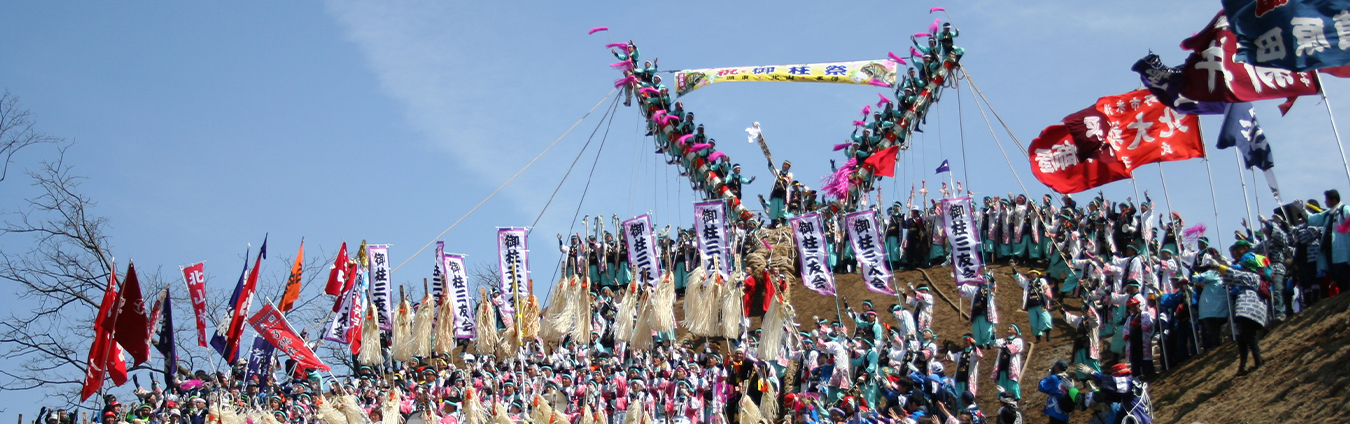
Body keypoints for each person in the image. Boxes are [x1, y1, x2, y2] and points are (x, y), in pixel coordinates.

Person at [1307, 189, 1350, 294]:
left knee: (1345, 274)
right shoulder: (1328, 213)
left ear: (1334, 200)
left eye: (1327, 200)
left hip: (1342, 249)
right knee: (1335, 275)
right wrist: (1302, 211)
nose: (1325, 202)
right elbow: (1314, 219)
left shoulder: (1344, 209)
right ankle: (1343, 297)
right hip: (1330, 250)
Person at [1013, 267, 1054, 342]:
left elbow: (1046, 287)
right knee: (1033, 322)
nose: (1032, 275)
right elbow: (1019, 279)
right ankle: (1038, 338)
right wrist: (1014, 271)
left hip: (1041, 304)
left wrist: (1048, 294)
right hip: (1031, 306)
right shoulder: (1027, 283)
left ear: (1037, 274)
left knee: (1046, 319)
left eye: (1033, 273)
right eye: (1030, 274)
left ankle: (1048, 336)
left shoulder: (1041, 280)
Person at [990, 325, 1024, 400]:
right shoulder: (1003, 340)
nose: (1009, 327)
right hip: (1001, 366)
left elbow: (1013, 348)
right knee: (1002, 387)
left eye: (1012, 327)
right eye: (1009, 326)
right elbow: (993, 344)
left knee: (1012, 386)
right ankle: (1003, 402)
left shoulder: (1018, 340)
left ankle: (1015, 401)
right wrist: (993, 335)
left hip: (1011, 367)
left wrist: (1003, 346)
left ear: (1016, 331)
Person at [769, 161, 794, 225]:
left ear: (788, 167)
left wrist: (782, 178)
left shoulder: (789, 174)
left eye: (786, 165)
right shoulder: (778, 172)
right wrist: (769, 161)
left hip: (783, 194)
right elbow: (771, 168)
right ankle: (773, 224)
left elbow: (789, 180)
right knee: (774, 210)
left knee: (782, 210)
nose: (784, 166)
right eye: (784, 164)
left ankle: (783, 223)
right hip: (775, 193)